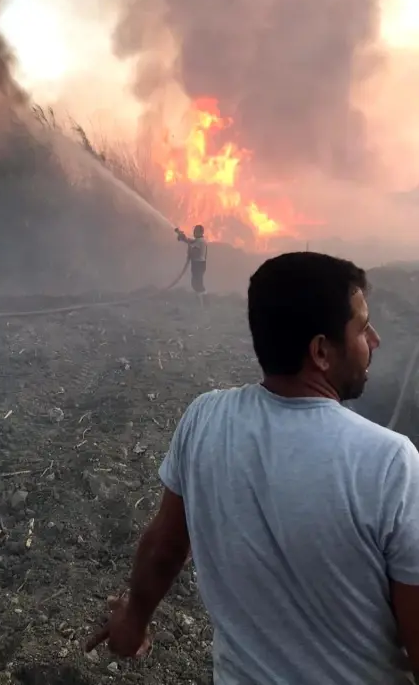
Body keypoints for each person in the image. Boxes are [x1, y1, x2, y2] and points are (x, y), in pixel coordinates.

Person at [88, 251, 419, 684]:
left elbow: (166, 544)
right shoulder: (391, 463)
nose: (374, 340)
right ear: (320, 351)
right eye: (361, 327)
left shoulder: (205, 419)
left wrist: (132, 622)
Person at [176, 224, 208, 304]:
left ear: (201, 232)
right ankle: (201, 299)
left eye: (196, 231)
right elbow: (190, 241)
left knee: (197, 282)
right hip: (197, 264)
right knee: (195, 282)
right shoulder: (198, 240)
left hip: (199, 264)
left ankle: (204, 300)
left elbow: (193, 247)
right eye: (194, 231)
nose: (194, 232)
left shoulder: (201, 241)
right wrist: (182, 237)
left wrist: (185, 240)